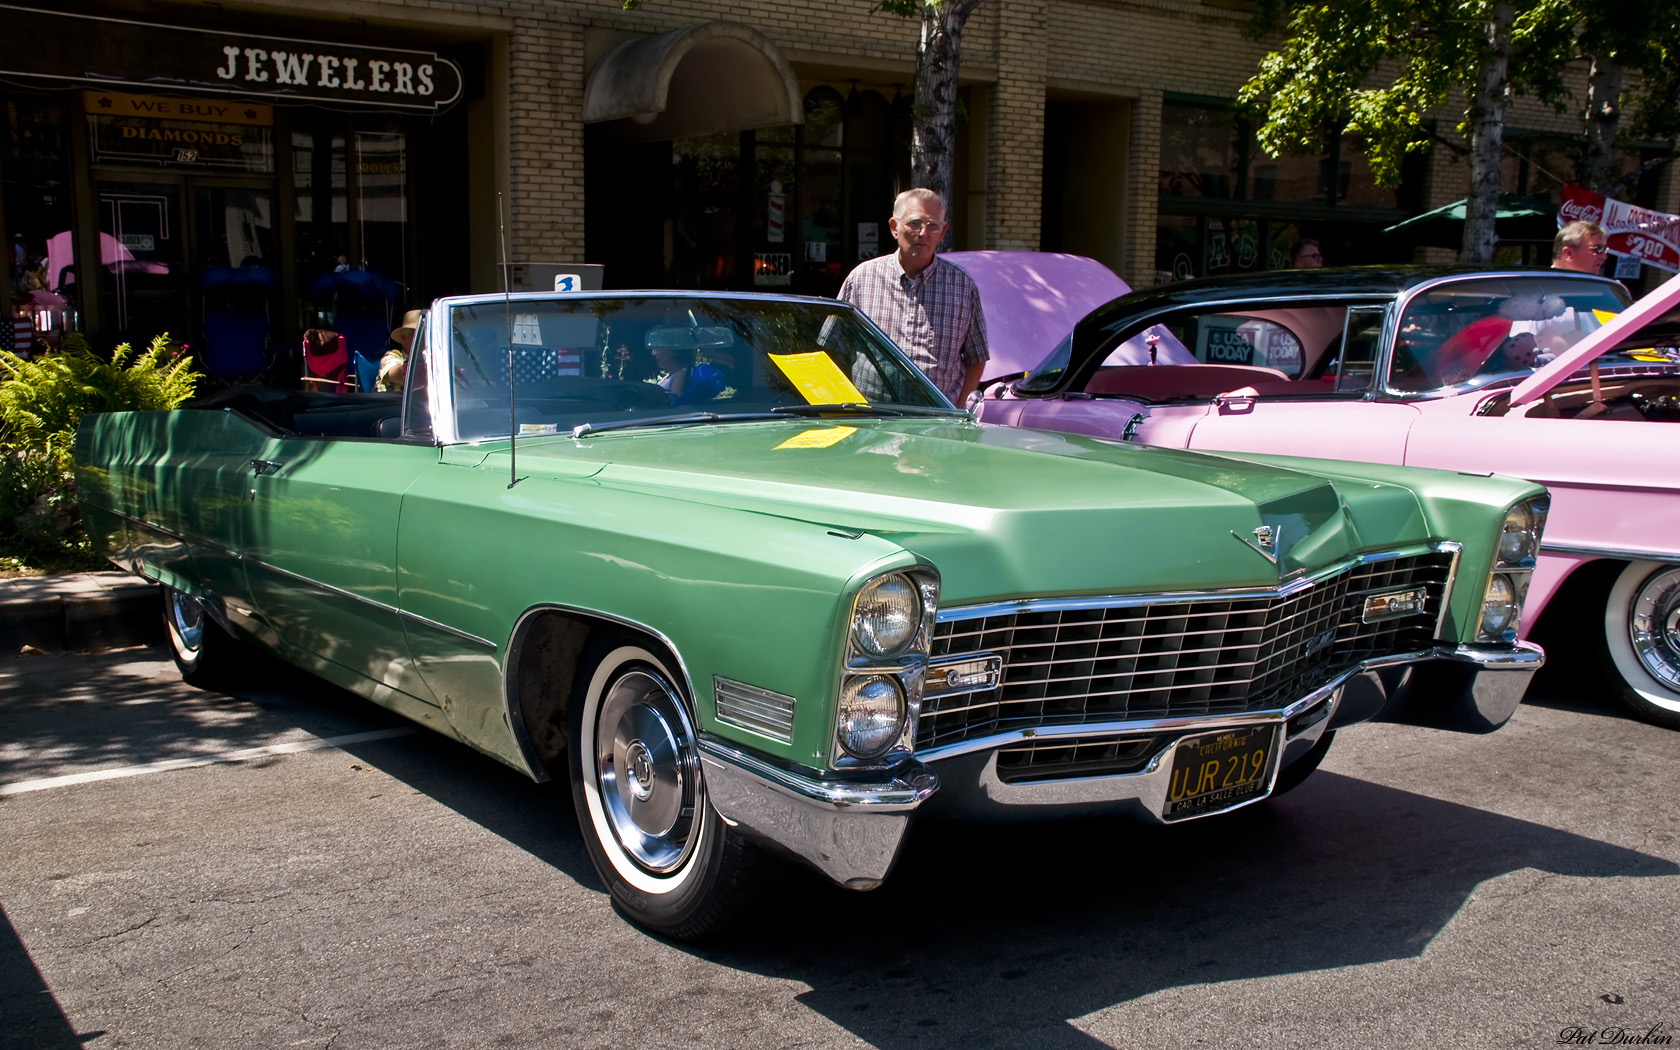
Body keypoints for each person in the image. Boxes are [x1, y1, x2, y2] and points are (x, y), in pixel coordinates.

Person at [837, 187, 989, 404]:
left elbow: (977, 358)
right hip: (873, 420)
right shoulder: (862, 279)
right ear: (894, 227)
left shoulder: (962, 286)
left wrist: (957, 410)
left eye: (932, 226)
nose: (923, 233)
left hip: (935, 422)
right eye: (914, 223)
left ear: (943, 232)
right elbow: (834, 349)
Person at [377, 309, 422, 392]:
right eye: (419, 334)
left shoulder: (430, 357)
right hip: (394, 403)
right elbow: (397, 374)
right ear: (403, 338)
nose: (424, 339)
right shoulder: (392, 356)